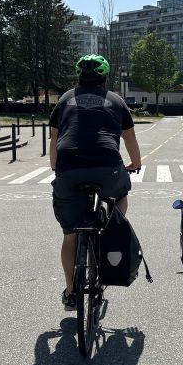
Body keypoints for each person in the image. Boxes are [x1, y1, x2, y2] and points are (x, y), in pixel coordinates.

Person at [49, 54, 142, 311]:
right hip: (108, 170)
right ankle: (112, 227)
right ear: (105, 78)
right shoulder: (116, 100)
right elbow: (129, 139)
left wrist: (56, 168)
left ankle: (70, 292)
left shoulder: (65, 100)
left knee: (70, 237)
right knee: (121, 195)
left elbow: (55, 140)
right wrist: (135, 164)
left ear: (78, 77)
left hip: (69, 171)